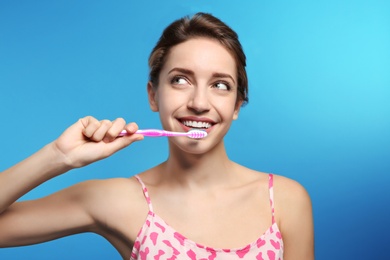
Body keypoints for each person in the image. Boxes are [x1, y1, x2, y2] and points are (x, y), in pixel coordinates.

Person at [0, 13, 314, 259]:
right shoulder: (116, 201)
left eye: (220, 85)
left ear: (236, 105)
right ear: (154, 96)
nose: (199, 103)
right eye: (180, 80)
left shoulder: (285, 200)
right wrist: (58, 155)